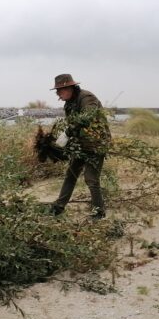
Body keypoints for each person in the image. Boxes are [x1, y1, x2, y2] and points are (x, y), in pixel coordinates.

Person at [49, 74, 111, 219]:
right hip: (81, 145)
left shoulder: (87, 97)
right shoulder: (68, 104)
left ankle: (99, 212)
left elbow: (87, 117)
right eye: (57, 91)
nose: (58, 94)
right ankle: (59, 207)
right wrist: (66, 143)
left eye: (60, 90)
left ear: (69, 87)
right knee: (71, 174)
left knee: (91, 178)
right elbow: (74, 125)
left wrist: (69, 131)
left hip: (97, 144)